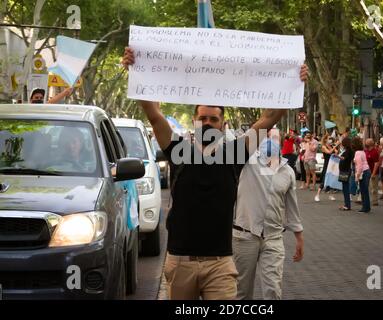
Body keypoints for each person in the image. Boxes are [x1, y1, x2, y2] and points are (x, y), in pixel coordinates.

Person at [122, 47, 309, 300]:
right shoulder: (178, 151)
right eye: (203, 118)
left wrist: (293, 83)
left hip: (221, 264)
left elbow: (270, 117)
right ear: (195, 121)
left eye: (214, 119)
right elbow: (154, 116)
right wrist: (137, 71)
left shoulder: (234, 154)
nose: (208, 123)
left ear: (223, 124)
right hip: (180, 262)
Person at [233, 130, 304, 300]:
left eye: (275, 137)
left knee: (273, 289)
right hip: (245, 236)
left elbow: (292, 207)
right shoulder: (247, 163)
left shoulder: (287, 172)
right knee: (241, 291)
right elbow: (233, 143)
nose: (271, 140)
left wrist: (299, 237)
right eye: (267, 136)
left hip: (273, 238)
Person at [315, 134, 338, 202]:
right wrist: (335, 146)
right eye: (329, 138)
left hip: (332, 164)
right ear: (325, 140)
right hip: (327, 164)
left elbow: (336, 152)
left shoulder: (330, 146)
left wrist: (334, 147)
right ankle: (317, 195)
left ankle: (330, 195)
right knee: (324, 180)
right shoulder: (323, 147)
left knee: (331, 179)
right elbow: (329, 152)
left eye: (330, 138)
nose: (330, 140)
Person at [353, 137, 371, 213]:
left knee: (363, 190)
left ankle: (365, 207)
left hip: (363, 172)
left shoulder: (357, 153)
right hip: (366, 171)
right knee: (365, 190)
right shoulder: (362, 151)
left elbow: (359, 166)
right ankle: (366, 206)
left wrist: (357, 176)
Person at [338, 137, 354, 211]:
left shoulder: (348, 151)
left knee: (345, 188)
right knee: (345, 187)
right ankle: (346, 204)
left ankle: (347, 205)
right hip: (345, 170)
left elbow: (345, 159)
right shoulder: (348, 150)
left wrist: (338, 157)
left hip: (345, 170)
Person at [365, 138, 380, 207]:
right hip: (367, 172)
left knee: (374, 188)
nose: (365, 144)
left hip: (373, 172)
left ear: (370, 144)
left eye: (366, 142)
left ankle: (375, 201)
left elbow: (376, 163)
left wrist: (373, 173)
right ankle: (365, 199)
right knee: (367, 187)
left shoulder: (374, 152)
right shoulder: (366, 151)